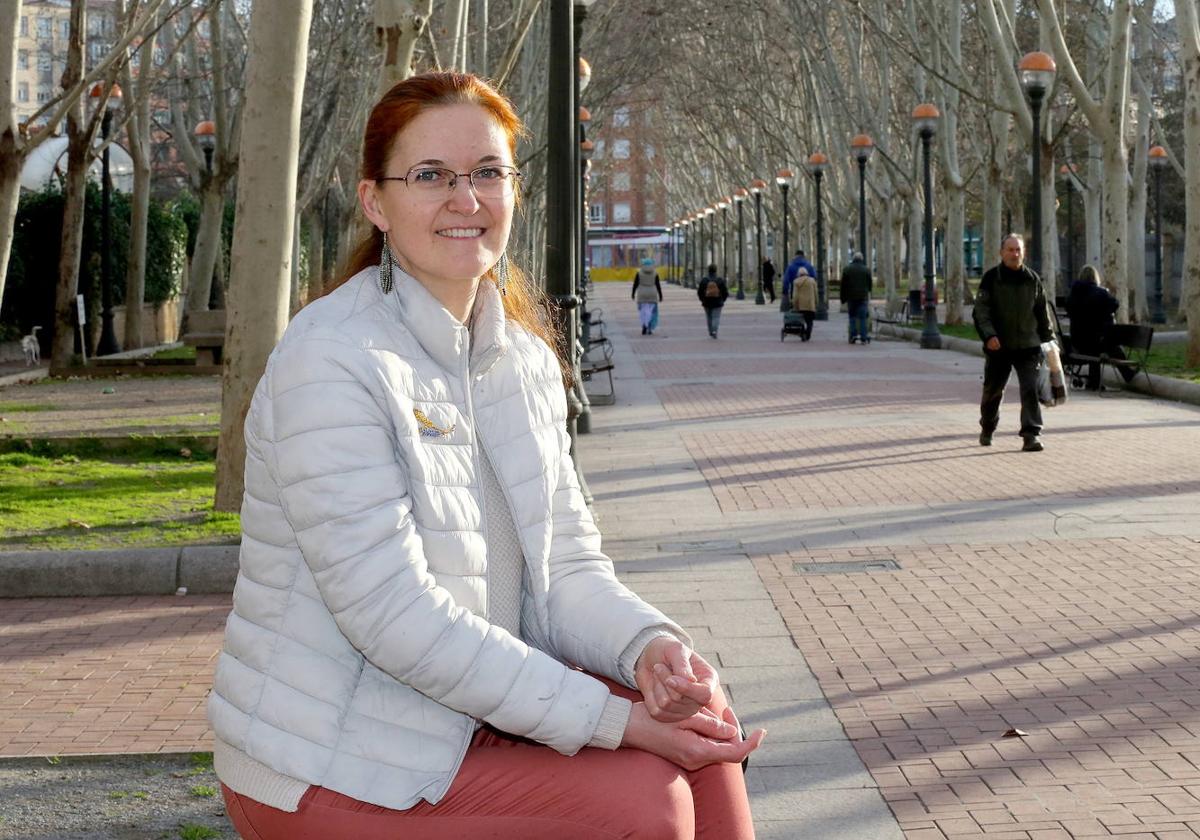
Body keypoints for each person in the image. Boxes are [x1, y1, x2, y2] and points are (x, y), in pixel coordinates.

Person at [208, 71, 762, 840]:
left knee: (705, 722)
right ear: (375, 201)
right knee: (648, 808)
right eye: (430, 176)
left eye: (488, 174)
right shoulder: (331, 359)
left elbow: (566, 572)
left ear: (514, 191)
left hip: (465, 723)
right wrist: (614, 721)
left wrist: (654, 652)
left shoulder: (521, 361)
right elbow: (391, 617)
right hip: (335, 761)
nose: (465, 199)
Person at [972, 233, 1056, 452]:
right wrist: (989, 336)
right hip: (999, 347)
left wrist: (1050, 341)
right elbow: (981, 312)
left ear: (1023, 253)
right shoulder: (991, 279)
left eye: (1018, 250)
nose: (1014, 254)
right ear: (1001, 252)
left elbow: (1042, 313)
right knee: (993, 392)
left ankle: (1031, 435)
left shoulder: (1032, 279)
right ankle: (987, 427)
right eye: (1010, 250)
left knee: (1030, 389)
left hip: (1028, 346)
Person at [1065, 264, 1134, 391]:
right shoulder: (1100, 293)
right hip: (1095, 341)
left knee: (1098, 345)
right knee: (1112, 345)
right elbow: (1115, 305)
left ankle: (1095, 382)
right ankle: (1127, 373)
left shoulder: (1073, 295)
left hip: (1078, 342)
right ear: (1095, 278)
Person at [840, 251, 872, 344]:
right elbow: (870, 285)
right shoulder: (866, 270)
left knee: (852, 317)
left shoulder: (847, 269)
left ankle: (852, 335)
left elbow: (843, 286)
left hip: (851, 298)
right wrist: (868, 291)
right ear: (862, 259)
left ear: (853, 259)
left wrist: (843, 298)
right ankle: (863, 337)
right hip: (862, 297)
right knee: (862, 318)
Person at [632, 256, 663, 335]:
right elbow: (658, 285)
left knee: (643, 312)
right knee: (651, 312)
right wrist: (660, 295)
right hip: (652, 293)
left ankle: (644, 325)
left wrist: (633, 293)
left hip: (642, 294)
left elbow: (635, 284)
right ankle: (649, 328)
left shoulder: (639, 273)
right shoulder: (655, 273)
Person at [791, 267, 817, 341]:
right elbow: (815, 294)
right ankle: (808, 334)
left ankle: (803, 334)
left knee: (801, 321)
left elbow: (795, 296)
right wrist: (816, 303)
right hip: (810, 305)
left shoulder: (796, 281)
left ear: (799, 274)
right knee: (810, 322)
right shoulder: (812, 281)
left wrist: (794, 305)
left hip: (800, 306)